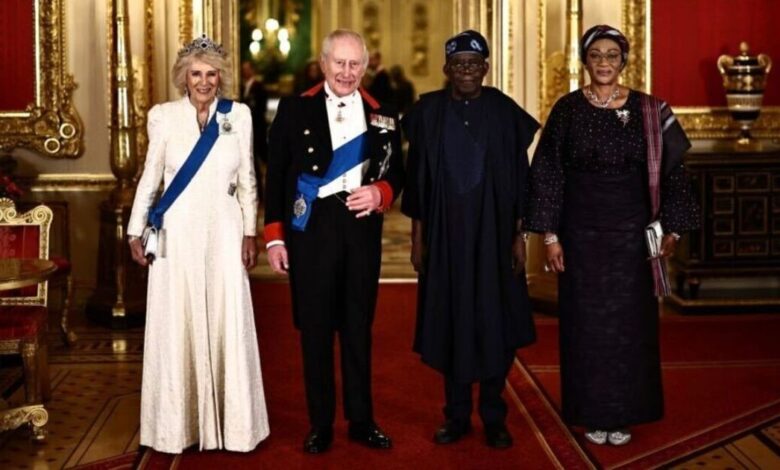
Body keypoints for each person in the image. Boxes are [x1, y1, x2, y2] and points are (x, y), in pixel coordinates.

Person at [525, 25, 700, 446]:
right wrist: (550, 237)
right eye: (596, 55)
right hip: (581, 237)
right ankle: (592, 414)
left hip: (631, 240)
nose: (604, 63)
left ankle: (623, 415)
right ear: (585, 61)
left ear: (624, 61)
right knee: (586, 327)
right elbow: (548, 174)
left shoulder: (650, 109)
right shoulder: (567, 109)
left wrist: (674, 227)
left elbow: (675, 172)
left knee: (629, 327)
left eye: (612, 55)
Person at [127, 35, 269, 453]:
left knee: (228, 317)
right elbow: (151, 176)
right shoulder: (163, 117)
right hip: (178, 232)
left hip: (225, 230)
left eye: (211, 74)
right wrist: (135, 229)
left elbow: (247, 179)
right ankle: (177, 427)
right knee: (178, 320)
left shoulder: (238, 115)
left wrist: (249, 231)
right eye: (196, 74)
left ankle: (235, 427)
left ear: (220, 78)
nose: (204, 82)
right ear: (183, 78)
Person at [264, 29, 404, 454]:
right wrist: (274, 238)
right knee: (316, 330)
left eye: (354, 64)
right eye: (339, 63)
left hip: (360, 229)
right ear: (323, 64)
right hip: (312, 231)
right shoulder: (295, 109)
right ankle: (320, 423)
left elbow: (398, 171)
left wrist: (381, 193)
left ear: (366, 67)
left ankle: (361, 420)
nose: (346, 72)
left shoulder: (383, 114)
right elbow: (277, 176)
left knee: (358, 328)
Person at [401, 30, 540, 449]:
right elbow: (417, 182)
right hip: (444, 239)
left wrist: (519, 236)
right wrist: (417, 240)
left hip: (495, 238)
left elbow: (520, 178)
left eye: (474, 64)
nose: (466, 71)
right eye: (458, 64)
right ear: (446, 69)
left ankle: (494, 415)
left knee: (497, 322)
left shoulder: (503, 111)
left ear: (486, 68)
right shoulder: (427, 113)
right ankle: (457, 415)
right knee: (451, 320)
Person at [240, 60, 269, 199]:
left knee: (262, 159)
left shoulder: (259, 87)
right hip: (247, 128)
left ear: (252, 70)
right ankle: (258, 193)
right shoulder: (241, 87)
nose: (244, 71)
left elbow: (261, 108)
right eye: (243, 69)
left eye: (247, 68)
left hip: (257, 128)